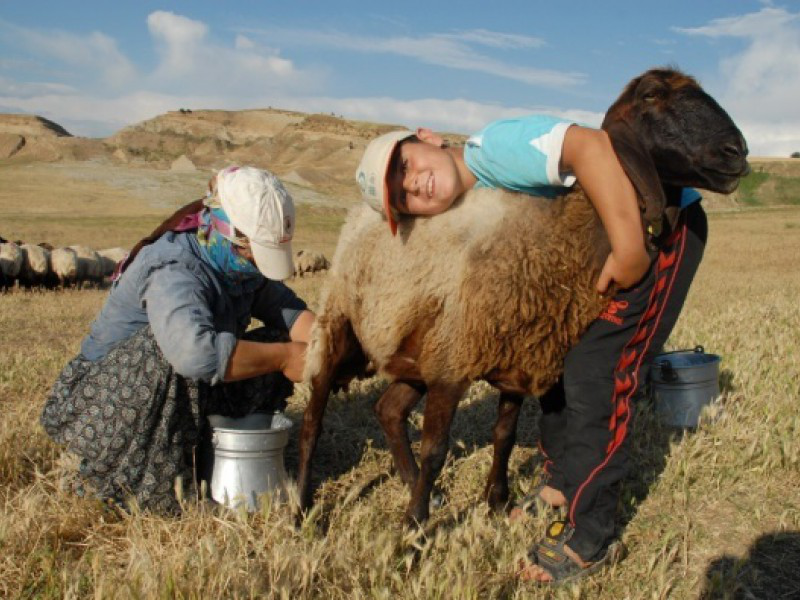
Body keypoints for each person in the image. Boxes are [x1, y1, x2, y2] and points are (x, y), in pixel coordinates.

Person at [355, 118, 705, 583]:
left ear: (428, 137)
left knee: (600, 376)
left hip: (656, 230)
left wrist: (628, 249)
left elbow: (589, 145)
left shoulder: (492, 150)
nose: (414, 182)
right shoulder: (479, 199)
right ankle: (561, 483)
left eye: (405, 164)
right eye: (403, 196)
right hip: (609, 243)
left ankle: (589, 536)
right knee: (561, 370)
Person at [42, 166, 314, 514]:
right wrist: (283, 358)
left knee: (277, 339)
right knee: (176, 346)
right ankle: (154, 491)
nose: (258, 265)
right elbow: (193, 354)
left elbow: (289, 312)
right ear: (225, 231)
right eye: (253, 253)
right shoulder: (175, 267)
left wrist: (328, 350)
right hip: (104, 407)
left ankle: (210, 456)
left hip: (169, 392)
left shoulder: (237, 267)